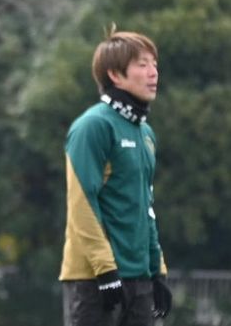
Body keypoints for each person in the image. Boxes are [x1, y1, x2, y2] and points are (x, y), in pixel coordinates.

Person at [59, 27, 173, 326]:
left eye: (154, 64)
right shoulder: (93, 126)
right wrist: (106, 271)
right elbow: (81, 204)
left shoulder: (145, 133)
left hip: (139, 276)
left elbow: (145, 206)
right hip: (94, 278)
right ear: (115, 75)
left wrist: (157, 269)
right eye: (142, 64)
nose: (153, 73)